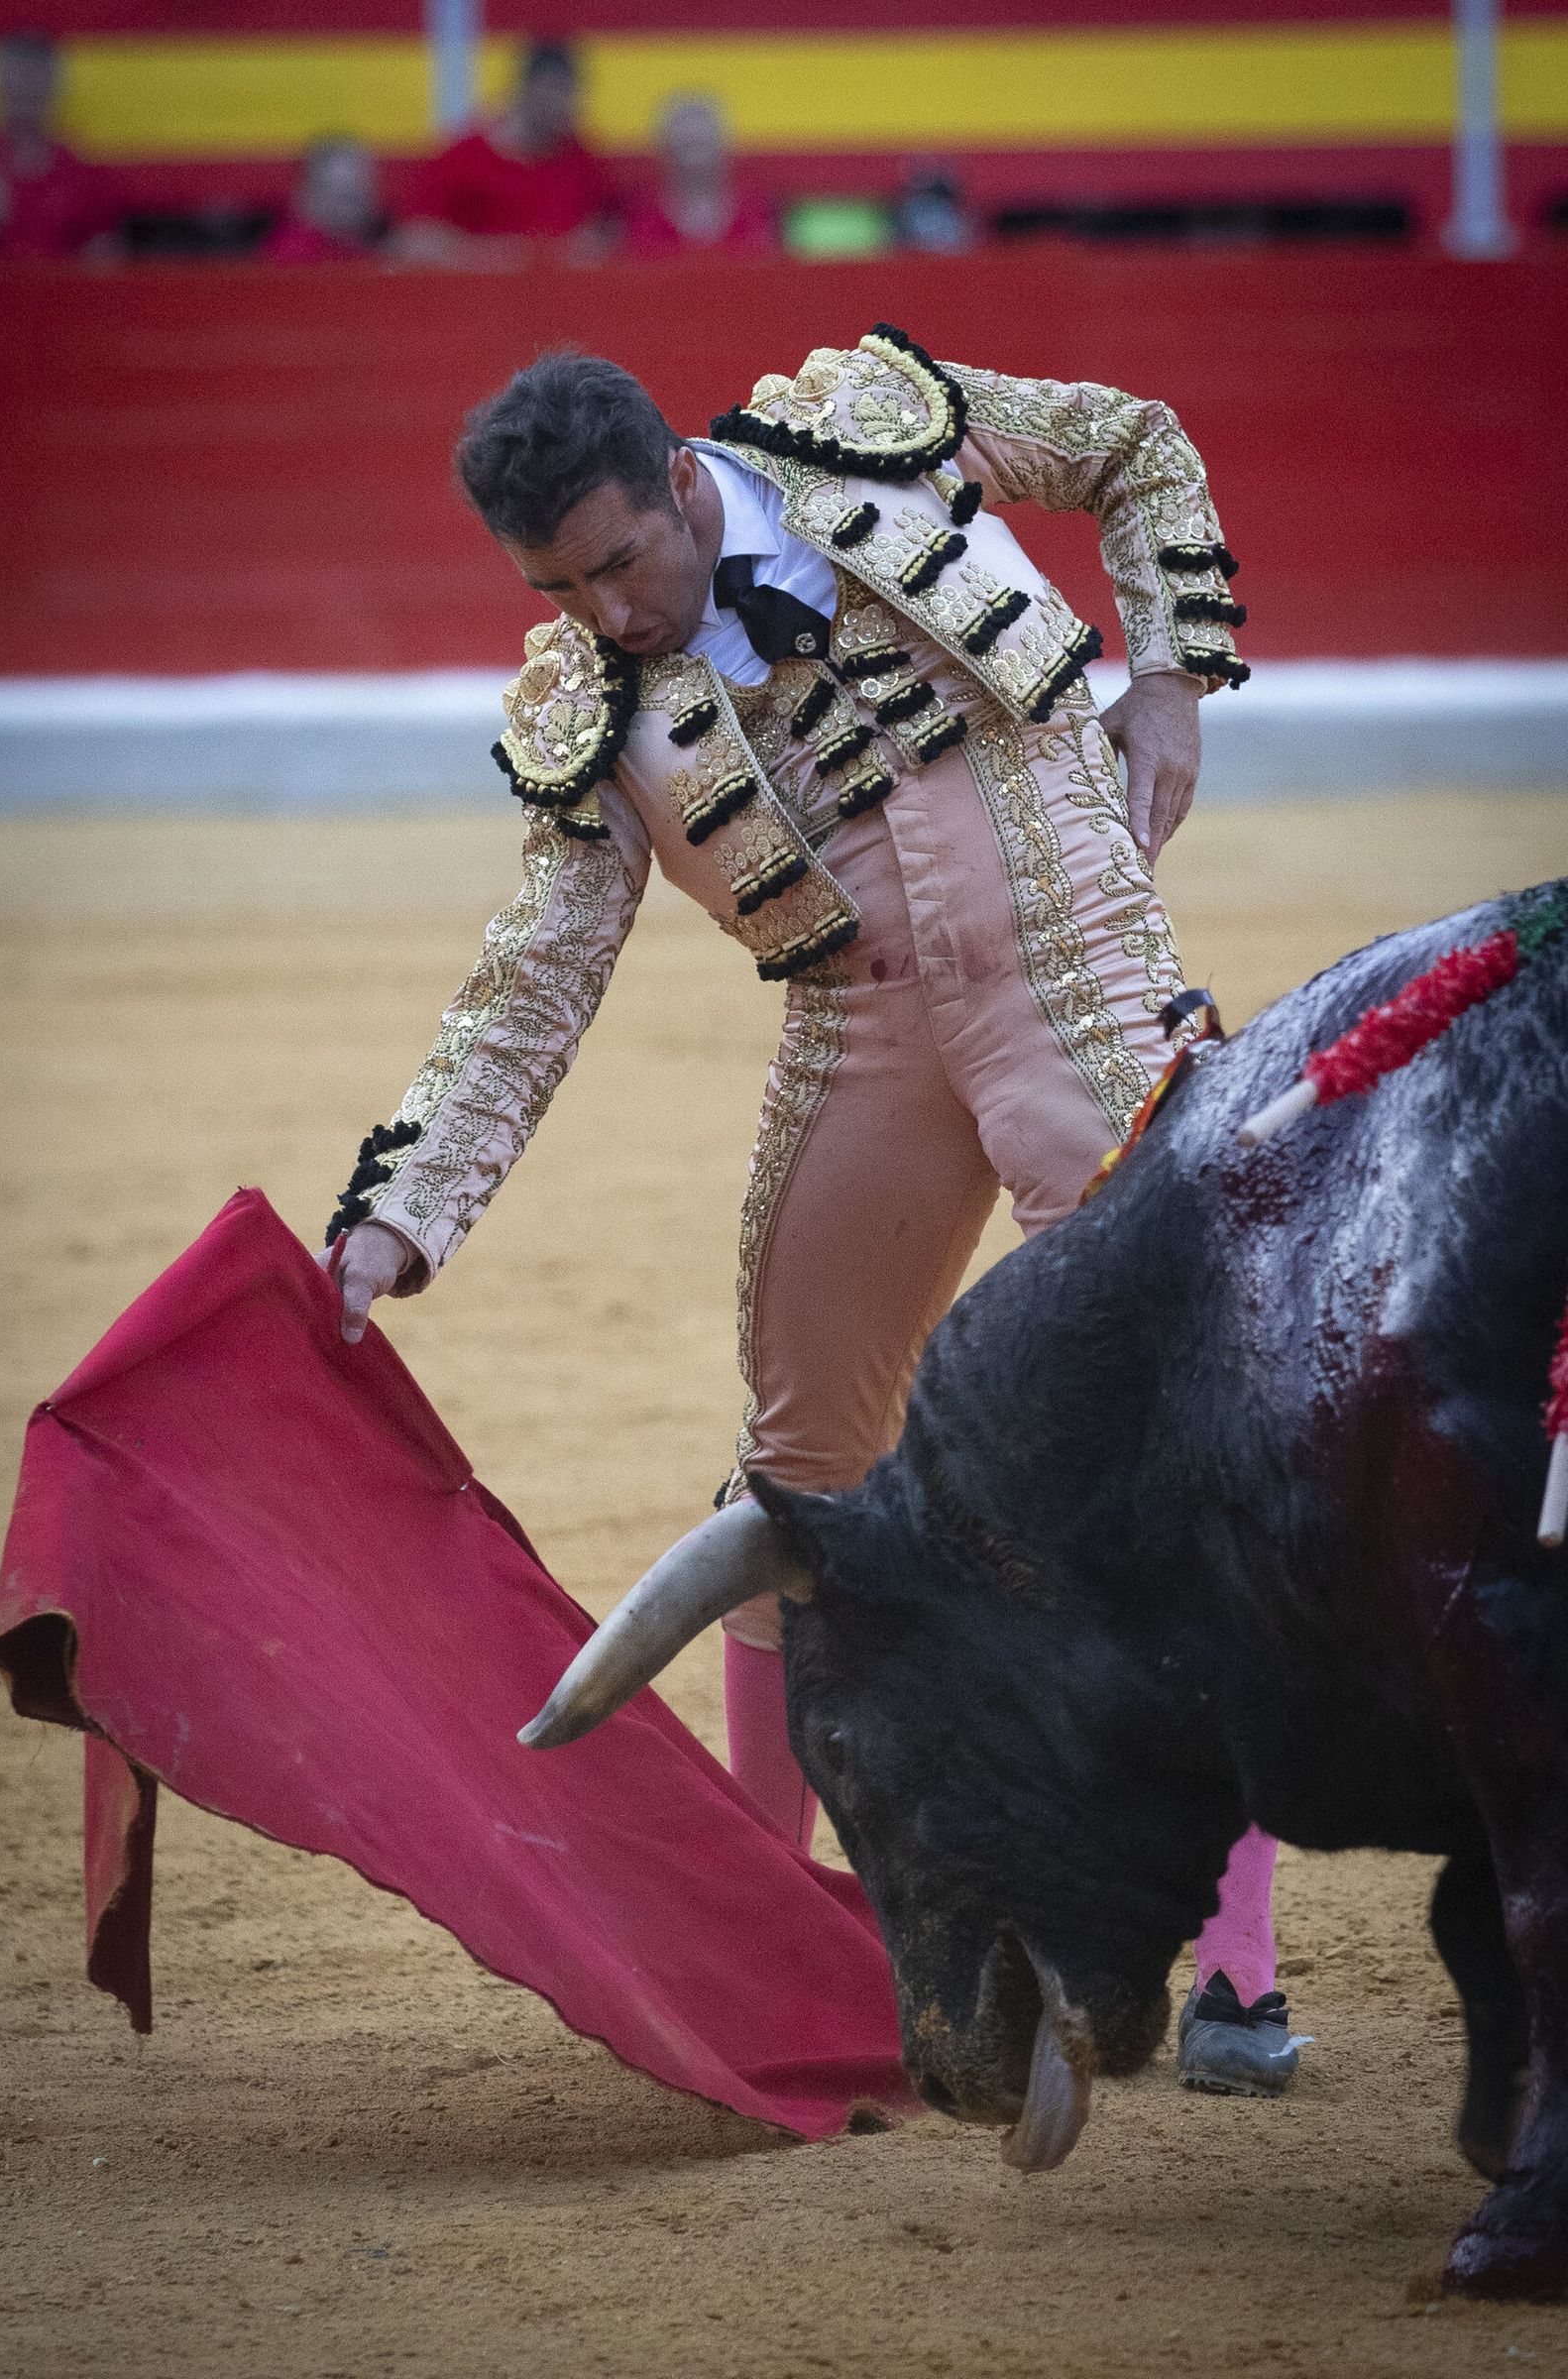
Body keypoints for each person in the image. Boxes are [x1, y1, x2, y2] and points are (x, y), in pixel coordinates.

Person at [319, 330, 1290, 2095]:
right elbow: (530, 987)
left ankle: (1235, 1967)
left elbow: (1139, 443)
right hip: (864, 1050)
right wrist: (399, 1217)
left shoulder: (872, 435)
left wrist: (1172, 676)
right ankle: (781, 1934)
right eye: (557, 587)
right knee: (798, 1475)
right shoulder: (594, 713)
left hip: (1087, 999)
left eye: (619, 563)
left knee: (1175, 1452)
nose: (605, 614)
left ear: (685, 483)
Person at [392, 41, 616, 268]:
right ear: (524, 89)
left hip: (555, 297)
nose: (562, 105)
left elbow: (604, 237)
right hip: (477, 297)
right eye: (553, 91)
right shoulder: (464, 159)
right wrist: (497, 256)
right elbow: (412, 242)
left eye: (569, 94)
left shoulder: (583, 163)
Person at [0, 31, 107, 260]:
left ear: (54, 93)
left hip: (58, 293)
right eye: (15, 96)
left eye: (32, 97)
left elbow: (105, 268)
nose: (23, 109)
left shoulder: (79, 177)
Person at [625, 94, 773, 260]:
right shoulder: (640, 222)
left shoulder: (757, 220)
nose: (694, 162)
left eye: (703, 144)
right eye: (686, 146)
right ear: (664, 151)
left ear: (725, 148)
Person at [258, 139, 383, 264]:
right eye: (327, 190)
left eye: (349, 196)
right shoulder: (288, 245)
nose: (339, 207)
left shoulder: (386, 242)